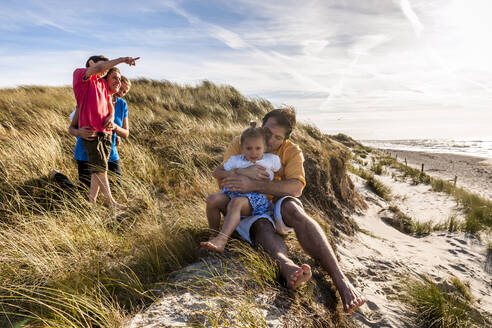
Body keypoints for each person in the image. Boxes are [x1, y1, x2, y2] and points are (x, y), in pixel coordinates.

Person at [210, 107, 366, 314]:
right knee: (262, 224)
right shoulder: (244, 143)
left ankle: (341, 280)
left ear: (285, 138)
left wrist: (253, 184)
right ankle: (288, 268)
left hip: (276, 202)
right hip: (247, 205)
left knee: (293, 208)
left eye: (277, 137)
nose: (270, 140)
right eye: (267, 132)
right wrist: (242, 172)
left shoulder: (291, 151)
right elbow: (222, 176)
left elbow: (295, 188)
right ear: (261, 125)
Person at [201, 123, 281, 253]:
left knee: (236, 203)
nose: (253, 152)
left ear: (265, 147)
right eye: (249, 148)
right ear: (242, 147)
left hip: (255, 199)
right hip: (232, 193)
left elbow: (283, 174)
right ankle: (213, 236)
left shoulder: (271, 160)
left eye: (258, 148)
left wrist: (271, 184)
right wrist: (239, 172)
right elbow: (216, 173)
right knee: (212, 199)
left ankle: (222, 240)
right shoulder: (236, 160)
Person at [72, 55, 138, 209]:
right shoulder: (81, 74)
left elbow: (109, 102)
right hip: (92, 132)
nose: (105, 69)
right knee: (100, 168)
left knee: (98, 169)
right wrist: (122, 59)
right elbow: (99, 70)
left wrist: (112, 118)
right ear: (91, 63)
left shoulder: (102, 83)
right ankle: (111, 202)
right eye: (104, 66)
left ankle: (91, 202)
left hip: (105, 134)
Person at [69, 75, 131, 188]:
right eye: (120, 88)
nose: (121, 93)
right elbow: (71, 128)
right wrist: (79, 132)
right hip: (86, 153)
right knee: (83, 192)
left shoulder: (122, 104)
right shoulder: (90, 97)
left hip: (110, 153)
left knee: (117, 189)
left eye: (124, 92)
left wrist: (116, 129)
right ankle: (58, 176)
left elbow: (126, 133)